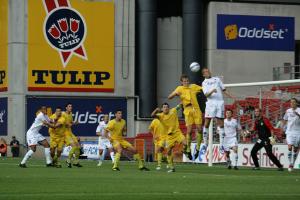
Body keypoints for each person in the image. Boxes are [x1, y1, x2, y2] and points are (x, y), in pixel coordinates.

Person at [168, 74, 203, 159]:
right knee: (189, 131)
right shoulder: (179, 88)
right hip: (187, 110)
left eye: (187, 81)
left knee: (199, 129)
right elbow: (169, 97)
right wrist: (175, 94)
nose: (186, 82)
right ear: (181, 82)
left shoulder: (193, 86)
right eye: (184, 81)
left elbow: (203, 89)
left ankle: (198, 148)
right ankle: (188, 149)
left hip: (196, 109)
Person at [201, 68, 235, 153]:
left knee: (221, 125)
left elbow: (224, 90)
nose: (207, 72)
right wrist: (212, 91)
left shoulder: (217, 79)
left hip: (219, 103)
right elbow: (206, 94)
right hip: (210, 103)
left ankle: (221, 146)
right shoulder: (204, 83)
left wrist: (231, 96)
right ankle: (205, 144)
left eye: (208, 71)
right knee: (206, 123)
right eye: (205, 72)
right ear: (203, 75)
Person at [151, 103, 188, 173]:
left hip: (177, 133)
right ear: (162, 109)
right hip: (169, 136)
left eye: (167, 107)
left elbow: (179, 105)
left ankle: (185, 151)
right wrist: (156, 110)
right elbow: (152, 115)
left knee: (185, 143)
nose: (166, 108)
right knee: (168, 152)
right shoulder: (160, 116)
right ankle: (171, 167)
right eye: (164, 107)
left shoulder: (173, 111)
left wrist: (185, 100)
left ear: (169, 108)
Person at [62, 103, 82, 168]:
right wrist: (74, 123)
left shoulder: (70, 114)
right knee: (74, 146)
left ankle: (75, 162)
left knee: (78, 146)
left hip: (70, 133)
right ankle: (68, 160)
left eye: (71, 106)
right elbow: (66, 125)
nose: (71, 107)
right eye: (69, 106)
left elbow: (70, 123)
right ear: (66, 108)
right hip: (65, 133)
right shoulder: (63, 114)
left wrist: (74, 122)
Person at [282, 98, 300, 172]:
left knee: (295, 149)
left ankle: (293, 163)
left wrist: (298, 115)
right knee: (289, 147)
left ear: (296, 103)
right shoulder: (288, 111)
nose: (292, 103)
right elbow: (285, 119)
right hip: (289, 132)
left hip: (298, 132)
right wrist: (283, 128)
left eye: (293, 102)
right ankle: (290, 163)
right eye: (291, 102)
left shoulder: (299, 110)